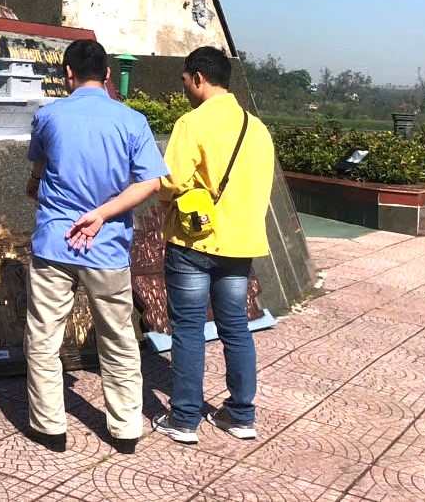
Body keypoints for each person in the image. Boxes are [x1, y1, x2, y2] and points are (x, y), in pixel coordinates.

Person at [24, 39, 168, 454]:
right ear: (107, 74)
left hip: (55, 244)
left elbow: (38, 171)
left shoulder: (48, 116)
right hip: (106, 248)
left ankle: (50, 427)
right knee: (119, 338)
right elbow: (150, 182)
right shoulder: (132, 121)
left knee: (44, 336)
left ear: (67, 74)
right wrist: (103, 214)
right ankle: (124, 429)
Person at [152, 47, 275, 444]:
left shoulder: (193, 123)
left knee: (188, 328)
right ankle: (241, 414)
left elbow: (170, 182)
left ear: (199, 78)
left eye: (185, 80)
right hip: (240, 245)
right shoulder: (257, 129)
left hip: (194, 240)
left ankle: (185, 418)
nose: (185, 86)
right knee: (236, 327)